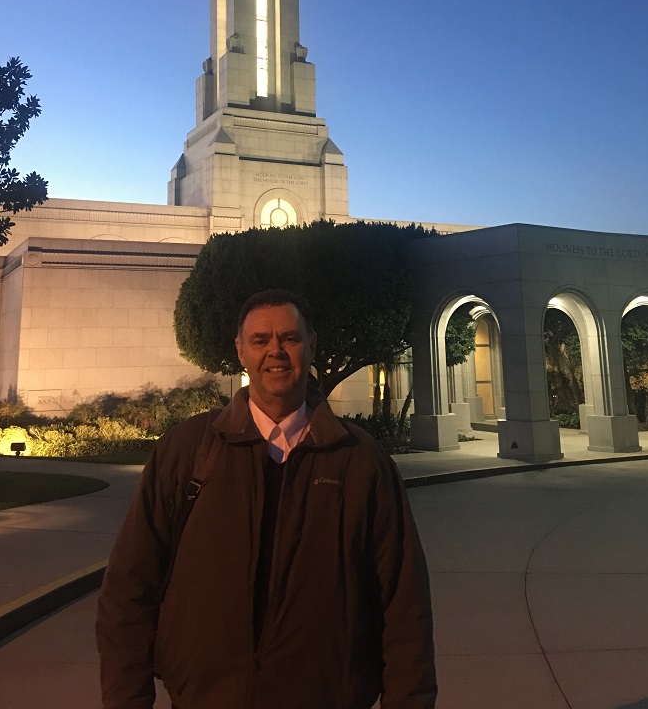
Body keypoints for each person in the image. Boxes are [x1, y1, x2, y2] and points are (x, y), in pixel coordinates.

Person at [96, 288, 437, 709]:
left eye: (290, 338)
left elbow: (404, 604)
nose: (275, 351)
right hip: (206, 696)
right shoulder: (188, 450)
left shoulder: (360, 460)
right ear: (240, 351)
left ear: (311, 346)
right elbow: (130, 586)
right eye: (260, 340)